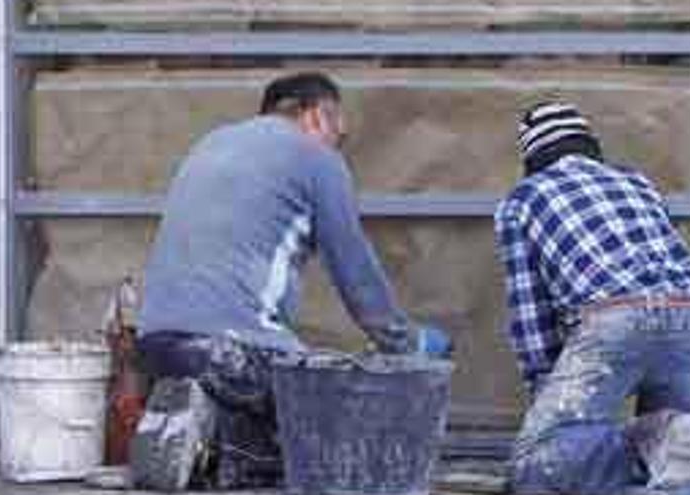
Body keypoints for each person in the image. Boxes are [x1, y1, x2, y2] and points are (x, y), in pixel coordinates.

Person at [130, 72, 451, 491]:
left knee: (262, 419)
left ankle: (208, 434)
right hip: (231, 350)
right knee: (332, 412)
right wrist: (403, 345)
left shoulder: (211, 144)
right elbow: (357, 277)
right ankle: (217, 432)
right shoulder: (316, 158)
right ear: (318, 116)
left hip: (155, 348)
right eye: (341, 134)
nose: (340, 146)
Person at [494, 100, 690, 495]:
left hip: (614, 314)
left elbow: (531, 313)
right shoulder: (635, 180)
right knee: (672, 462)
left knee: (537, 463)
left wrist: (546, 385)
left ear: (533, 158)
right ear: (589, 147)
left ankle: (662, 435)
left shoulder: (522, 200)